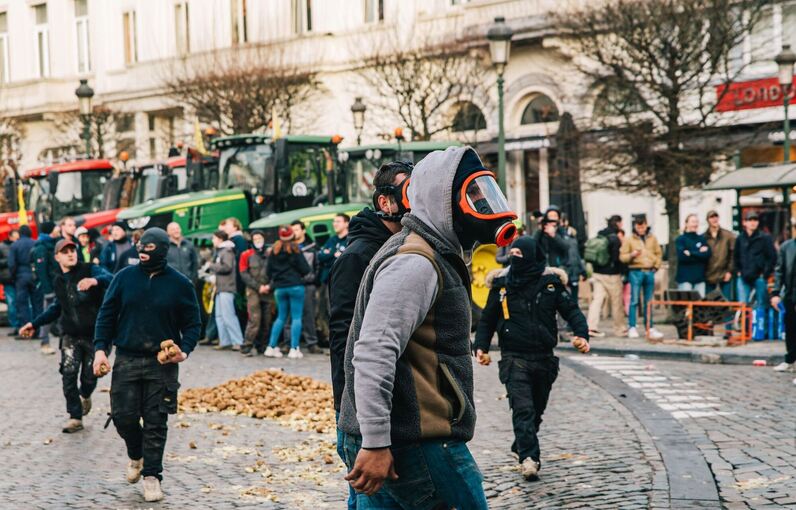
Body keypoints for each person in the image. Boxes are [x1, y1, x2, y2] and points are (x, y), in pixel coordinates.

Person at [339, 146, 517, 508]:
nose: (486, 205)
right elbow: (373, 352)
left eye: (487, 193)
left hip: (401, 436)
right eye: (474, 195)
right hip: (417, 442)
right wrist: (375, 442)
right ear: (443, 201)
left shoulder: (427, 251)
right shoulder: (416, 261)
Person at [93, 227, 201, 503]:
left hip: (161, 363)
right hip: (127, 357)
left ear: (162, 250)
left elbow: (193, 324)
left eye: (149, 248)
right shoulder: (123, 278)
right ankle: (136, 453)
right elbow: (106, 315)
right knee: (123, 417)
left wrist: (184, 351)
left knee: (156, 421)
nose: (142, 252)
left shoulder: (180, 284)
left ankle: (152, 476)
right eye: (140, 246)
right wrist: (100, 350)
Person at [328, 160, 413, 509]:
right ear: (386, 202)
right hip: (361, 402)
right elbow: (343, 337)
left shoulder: (407, 247)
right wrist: (348, 404)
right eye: (409, 190)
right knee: (366, 496)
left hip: (401, 398)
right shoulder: (358, 256)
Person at [473, 236, 590, 480]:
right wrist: (480, 347)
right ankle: (529, 458)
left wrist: (581, 334)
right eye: (513, 255)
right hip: (514, 358)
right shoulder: (502, 285)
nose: (517, 260)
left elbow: (572, 311)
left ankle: (522, 444)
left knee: (536, 410)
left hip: (544, 358)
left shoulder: (550, 283)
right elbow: (488, 319)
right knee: (523, 409)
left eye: (521, 255)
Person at [20, 238, 113, 433]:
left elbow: (111, 278)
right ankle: (75, 417)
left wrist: (95, 281)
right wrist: (33, 323)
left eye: (73, 250)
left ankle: (85, 394)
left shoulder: (89, 269)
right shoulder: (58, 280)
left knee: (89, 377)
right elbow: (57, 308)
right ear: (57, 257)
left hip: (95, 335)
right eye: (65, 252)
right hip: (71, 334)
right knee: (68, 373)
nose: (71, 254)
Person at [265, 226, 311, 359]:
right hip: (296, 286)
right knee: (296, 317)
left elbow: (268, 272)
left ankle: (271, 347)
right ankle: (294, 348)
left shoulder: (274, 250)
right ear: (292, 236)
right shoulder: (296, 250)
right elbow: (305, 269)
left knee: (280, 317)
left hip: (279, 288)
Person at [619, 215, 664, 339]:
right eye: (639, 226)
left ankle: (649, 327)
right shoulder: (629, 239)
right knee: (634, 300)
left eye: (643, 226)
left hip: (649, 271)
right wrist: (631, 255)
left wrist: (656, 265)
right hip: (635, 271)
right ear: (635, 226)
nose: (641, 229)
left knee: (648, 301)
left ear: (646, 225)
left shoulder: (652, 238)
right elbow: (622, 256)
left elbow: (659, 253)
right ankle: (632, 326)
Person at [587, 215, 626, 337]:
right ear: (618, 224)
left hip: (597, 273)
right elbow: (617, 259)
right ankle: (619, 329)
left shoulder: (600, 235)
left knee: (597, 300)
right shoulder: (615, 239)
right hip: (611, 275)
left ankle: (591, 327)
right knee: (616, 302)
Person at [9, 225, 45, 348]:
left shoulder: (15, 245)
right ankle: (38, 330)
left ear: (19, 234)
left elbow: (11, 264)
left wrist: (14, 277)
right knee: (37, 304)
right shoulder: (36, 243)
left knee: (22, 304)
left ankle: (26, 330)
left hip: (21, 276)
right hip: (35, 277)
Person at [291, 220, 322, 354]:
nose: (294, 232)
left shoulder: (312, 246)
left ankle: (312, 343)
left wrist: (313, 279)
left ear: (303, 230)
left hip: (308, 285)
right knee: (289, 316)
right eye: (292, 230)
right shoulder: (288, 247)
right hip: (292, 285)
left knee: (309, 315)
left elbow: (318, 266)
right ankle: (289, 343)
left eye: (297, 229)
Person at [209, 230, 243, 351]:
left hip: (226, 287)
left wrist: (211, 266)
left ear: (219, 239)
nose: (212, 241)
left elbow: (227, 267)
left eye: (214, 238)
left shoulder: (227, 251)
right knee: (219, 316)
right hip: (221, 288)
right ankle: (225, 341)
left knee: (228, 315)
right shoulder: (221, 251)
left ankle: (238, 341)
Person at [317, 213, 349, 343]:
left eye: (338, 221)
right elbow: (320, 256)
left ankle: (341, 340)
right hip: (325, 281)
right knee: (322, 312)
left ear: (346, 223)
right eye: (334, 221)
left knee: (336, 312)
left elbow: (344, 259)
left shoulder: (350, 239)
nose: (335, 224)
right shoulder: (332, 240)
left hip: (340, 281)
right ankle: (328, 339)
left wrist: (330, 255)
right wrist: (333, 254)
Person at [239, 230, 271, 357]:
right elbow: (244, 273)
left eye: (260, 237)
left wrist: (269, 285)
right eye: (255, 238)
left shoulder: (270, 253)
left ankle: (262, 345)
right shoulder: (246, 254)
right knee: (254, 318)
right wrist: (258, 287)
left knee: (267, 319)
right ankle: (247, 345)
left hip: (268, 290)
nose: (258, 240)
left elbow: (275, 269)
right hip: (253, 290)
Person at [734, 210, 776, 305]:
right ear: (744, 222)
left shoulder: (765, 238)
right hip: (744, 277)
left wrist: (765, 273)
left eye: (755, 220)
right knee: (743, 304)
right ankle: (745, 320)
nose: (753, 222)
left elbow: (772, 257)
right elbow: (736, 256)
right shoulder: (740, 238)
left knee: (761, 304)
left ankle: (760, 320)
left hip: (759, 277)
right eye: (750, 220)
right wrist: (738, 271)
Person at [32, 220, 58, 354]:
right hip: (48, 289)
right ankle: (44, 342)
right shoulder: (42, 247)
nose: (58, 229)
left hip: (55, 285)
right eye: (55, 227)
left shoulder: (51, 244)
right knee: (47, 315)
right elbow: (42, 271)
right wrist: (48, 290)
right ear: (50, 230)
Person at [771, 236, 796, 374]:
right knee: (790, 327)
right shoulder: (787, 246)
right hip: (790, 294)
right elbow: (779, 271)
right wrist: (775, 293)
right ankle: (790, 360)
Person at [675, 214, 711, 297]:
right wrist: (699, 253)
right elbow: (683, 257)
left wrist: (691, 253)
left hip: (700, 278)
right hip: (685, 279)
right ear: (686, 223)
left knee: (699, 307)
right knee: (686, 307)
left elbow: (707, 255)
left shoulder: (702, 239)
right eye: (693, 222)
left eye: (697, 222)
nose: (695, 224)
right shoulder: (681, 240)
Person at [704, 210, 736, 299]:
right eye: (711, 217)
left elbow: (733, 255)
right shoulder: (703, 237)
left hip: (724, 273)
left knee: (726, 302)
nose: (714, 219)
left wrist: (729, 271)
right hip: (709, 274)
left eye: (716, 217)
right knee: (710, 302)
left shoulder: (728, 235)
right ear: (707, 220)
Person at [0, 229, 19, 334]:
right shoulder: (1, 247)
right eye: (15, 238)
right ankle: (15, 325)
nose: (17, 240)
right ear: (10, 237)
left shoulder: (18, 246)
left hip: (18, 278)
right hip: (8, 279)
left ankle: (21, 325)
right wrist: (9, 261)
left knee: (20, 303)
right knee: (11, 304)